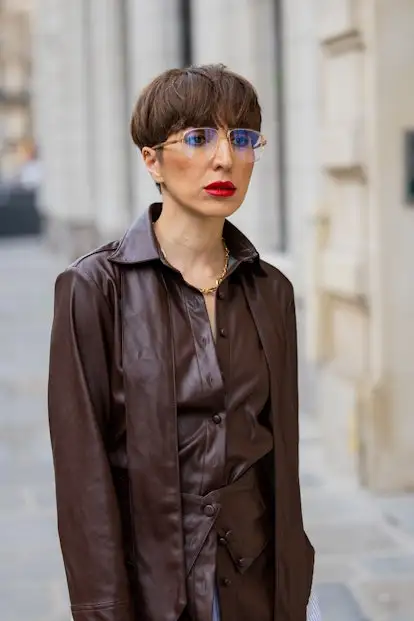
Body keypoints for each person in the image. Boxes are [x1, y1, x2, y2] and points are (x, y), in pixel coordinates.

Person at [48, 64, 322, 621]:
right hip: (154, 590)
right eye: (198, 137)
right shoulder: (93, 289)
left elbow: (282, 462)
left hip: (259, 584)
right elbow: (84, 483)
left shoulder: (272, 291)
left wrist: (293, 588)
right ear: (152, 158)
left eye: (241, 138)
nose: (225, 158)